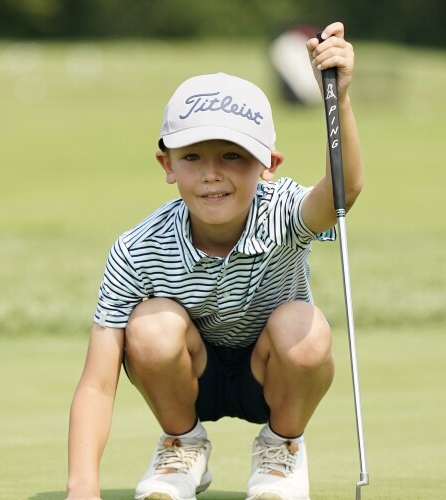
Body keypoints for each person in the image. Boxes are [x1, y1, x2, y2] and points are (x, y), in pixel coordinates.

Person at [66, 22, 361, 500]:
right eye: (192, 157)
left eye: (232, 156)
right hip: (188, 380)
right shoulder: (137, 248)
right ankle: (182, 447)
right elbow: (98, 384)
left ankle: (281, 451)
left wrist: (339, 99)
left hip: (273, 375)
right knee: (150, 325)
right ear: (167, 165)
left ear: (268, 165)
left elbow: (342, 192)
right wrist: (82, 490)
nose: (211, 174)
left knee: (304, 328)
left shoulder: (283, 211)